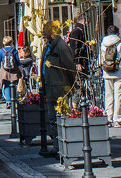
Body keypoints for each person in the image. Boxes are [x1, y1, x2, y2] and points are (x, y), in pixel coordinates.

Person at [41, 21, 75, 156]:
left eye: (46, 30)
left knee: (61, 118)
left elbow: (69, 68)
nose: (43, 32)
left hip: (61, 89)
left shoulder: (60, 47)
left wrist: (72, 86)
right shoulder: (47, 47)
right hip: (50, 89)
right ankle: (57, 147)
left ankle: (64, 148)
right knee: (52, 119)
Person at [99, 25, 121, 127]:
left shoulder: (103, 43)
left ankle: (108, 118)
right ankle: (117, 119)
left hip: (107, 72)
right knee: (118, 95)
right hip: (118, 72)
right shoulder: (120, 43)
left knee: (108, 96)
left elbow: (100, 57)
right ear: (117, 33)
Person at [0, 36, 21, 107]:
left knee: (6, 85)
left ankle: (8, 101)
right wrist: (21, 71)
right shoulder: (14, 50)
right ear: (11, 42)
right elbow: (17, 61)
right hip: (13, 70)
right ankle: (14, 99)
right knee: (13, 84)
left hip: (4, 70)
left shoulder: (1, 50)